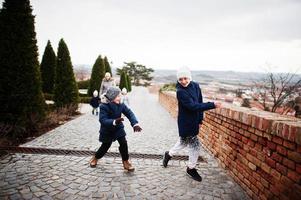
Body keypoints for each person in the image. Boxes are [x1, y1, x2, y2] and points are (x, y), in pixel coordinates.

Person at [162, 67, 221, 182]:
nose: (183, 81)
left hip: (194, 121)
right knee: (195, 146)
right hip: (186, 123)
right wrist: (212, 104)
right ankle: (191, 168)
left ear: (189, 77)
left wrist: (200, 120)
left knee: (183, 142)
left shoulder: (195, 85)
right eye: (180, 79)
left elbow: (199, 103)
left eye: (185, 78)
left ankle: (168, 154)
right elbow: (193, 106)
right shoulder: (180, 92)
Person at [90, 87, 142, 171]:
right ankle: (95, 158)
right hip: (107, 129)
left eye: (120, 96)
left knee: (123, 143)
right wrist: (114, 121)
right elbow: (102, 120)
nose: (120, 98)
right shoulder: (104, 106)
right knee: (105, 146)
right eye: (118, 96)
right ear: (111, 97)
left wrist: (135, 124)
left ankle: (125, 162)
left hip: (118, 128)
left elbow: (129, 113)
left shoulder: (121, 104)